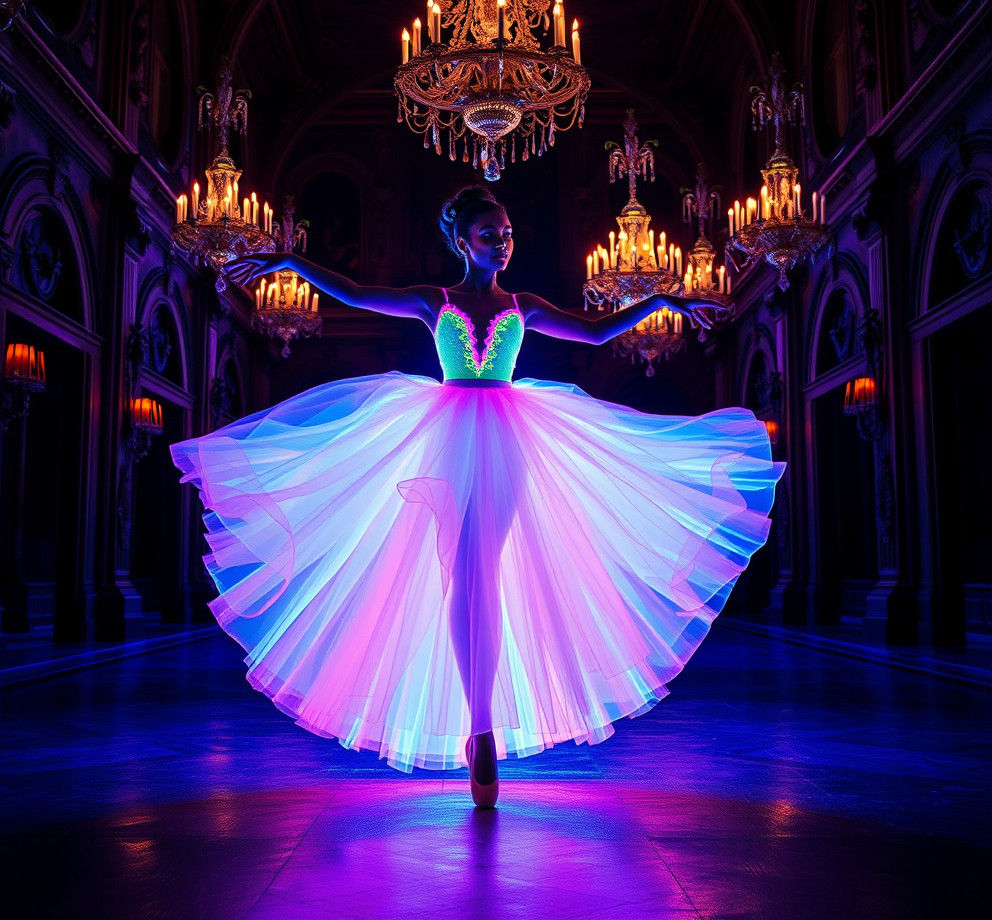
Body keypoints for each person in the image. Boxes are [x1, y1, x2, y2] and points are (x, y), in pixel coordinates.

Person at [171, 185, 784, 808]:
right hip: (445, 436)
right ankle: (481, 726)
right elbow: (355, 293)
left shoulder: (526, 305)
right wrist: (290, 263)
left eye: (508, 232)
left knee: (481, 572)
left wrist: (662, 298)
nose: (503, 241)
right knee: (465, 573)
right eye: (490, 233)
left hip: (512, 441)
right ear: (462, 241)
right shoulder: (432, 300)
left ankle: (480, 724)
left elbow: (598, 334)